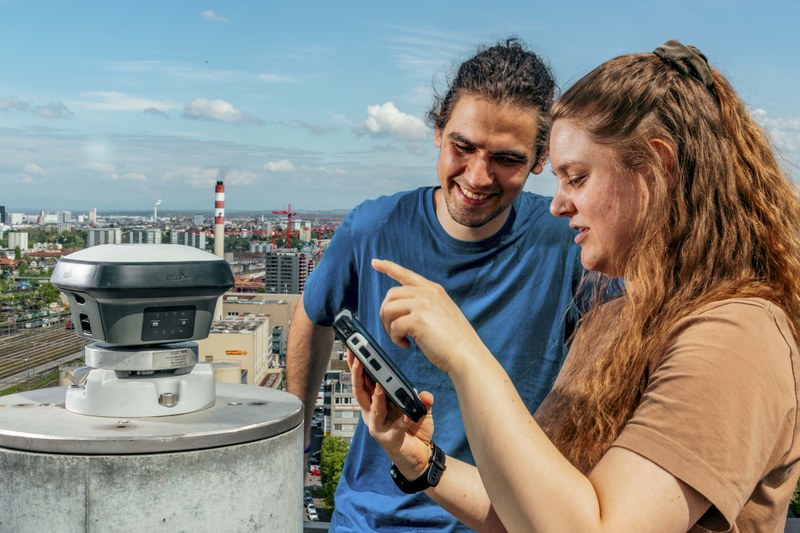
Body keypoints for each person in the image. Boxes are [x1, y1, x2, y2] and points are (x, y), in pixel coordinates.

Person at [353, 39, 800, 532]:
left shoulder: (736, 336)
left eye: (577, 178)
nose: (557, 204)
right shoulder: (612, 318)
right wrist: (424, 462)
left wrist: (465, 354)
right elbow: (535, 513)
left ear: (657, 166)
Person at [285, 37, 585, 531]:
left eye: (506, 159)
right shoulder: (372, 227)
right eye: (462, 147)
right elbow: (313, 314)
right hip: (374, 516)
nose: (477, 175)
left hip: (499, 517)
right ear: (438, 131)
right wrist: (294, 441)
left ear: (539, 160)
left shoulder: (567, 241)